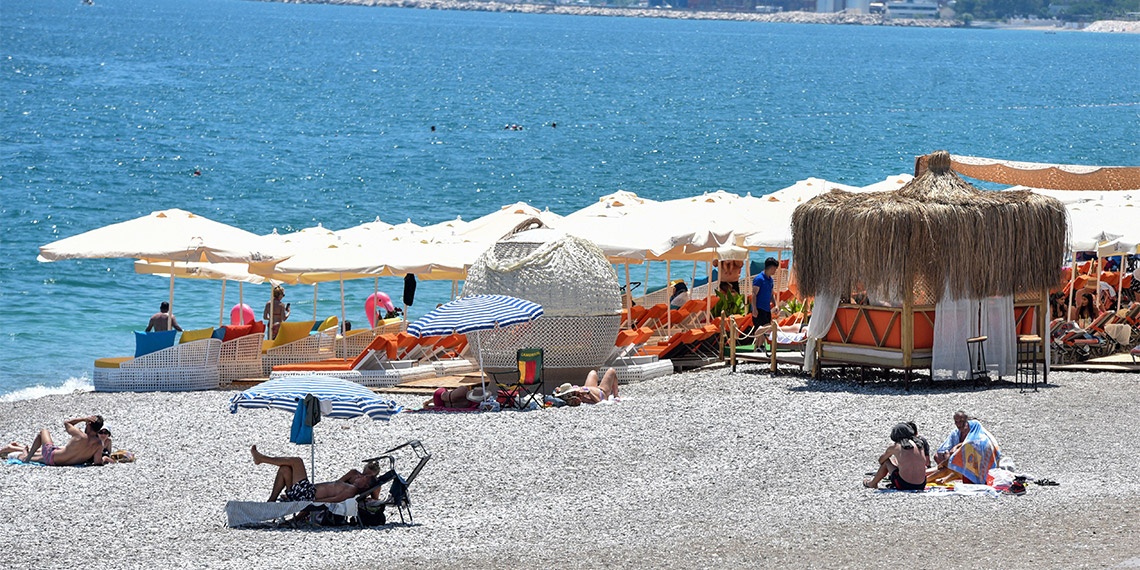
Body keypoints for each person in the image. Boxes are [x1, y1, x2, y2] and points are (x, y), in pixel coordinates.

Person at [251, 446, 382, 503]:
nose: (361, 476)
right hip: (306, 491)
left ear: (365, 486)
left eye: (364, 478)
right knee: (285, 469)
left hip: (307, 494)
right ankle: (271, 502)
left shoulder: (351, 491)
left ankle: (262, 459)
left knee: (297, 461)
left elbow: (333, 500)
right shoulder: (350, 482)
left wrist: (312, 502)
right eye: (363, 475)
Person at [1, 415, 109, 466]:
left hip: (51, 456)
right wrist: (105, 459)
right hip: (61, 462)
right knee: (55, 450)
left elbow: (67, 423)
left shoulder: (80, 435)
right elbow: (97, 462)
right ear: (99, 429)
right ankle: (23, 452)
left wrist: (82, 419)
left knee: (43, 432)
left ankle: (27, 457)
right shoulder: (99, 444)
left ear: (88, 424)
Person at [863, 423, 927, 491]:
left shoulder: (895, 446)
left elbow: (881, 460)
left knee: (886, 462)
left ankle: (872, 483)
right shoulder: (920, 445)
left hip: (904, 484)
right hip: (921, 484)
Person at [553, 368, 620, 406]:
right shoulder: (581, 397)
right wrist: (588, 393)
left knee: (592, 372)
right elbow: (598, 401)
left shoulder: (576, 391)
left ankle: (616, 394)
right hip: (602, 392)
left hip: (590, 387)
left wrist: (559, 390)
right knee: (611, 371)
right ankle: (616, 395)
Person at [752, 258, 778, 330]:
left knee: (765, 332)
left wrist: (775, 305)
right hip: (759, 309)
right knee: (762, 331)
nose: (775, 272)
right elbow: (754, 294)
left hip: (767, 310)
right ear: (772, 268)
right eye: (775, 269)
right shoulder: (759, 279)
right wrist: (754, 309)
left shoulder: (770, 279)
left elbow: (771, 293)